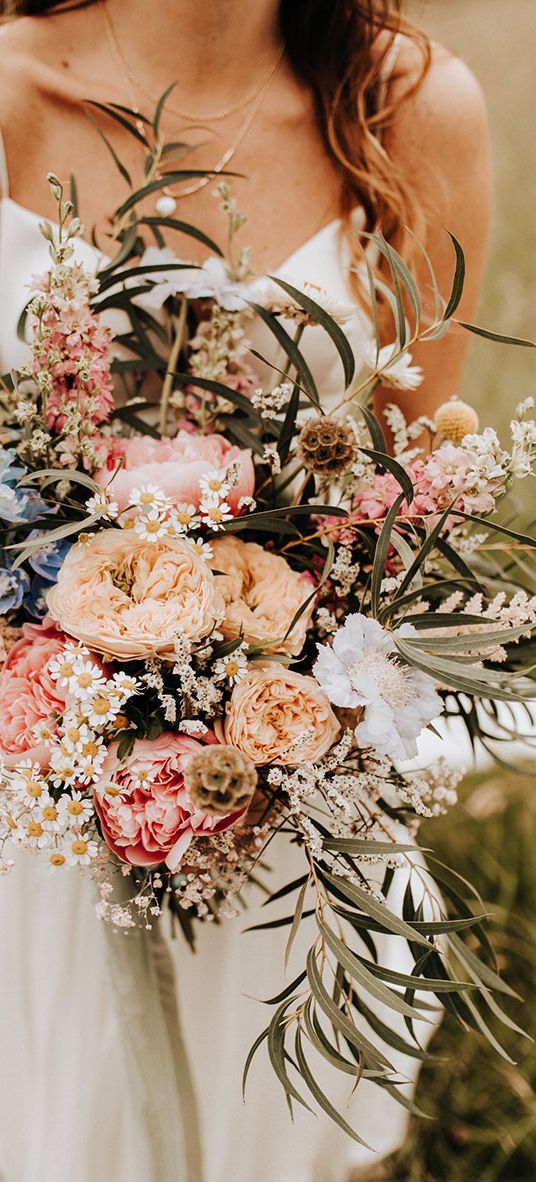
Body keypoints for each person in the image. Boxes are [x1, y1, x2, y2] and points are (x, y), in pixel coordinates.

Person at [0, 3, 492, 1181]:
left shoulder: (406, 109)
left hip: (287, 804)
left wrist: (246, 682)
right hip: (33, 800)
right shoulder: (10, 91)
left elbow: (412, 498)